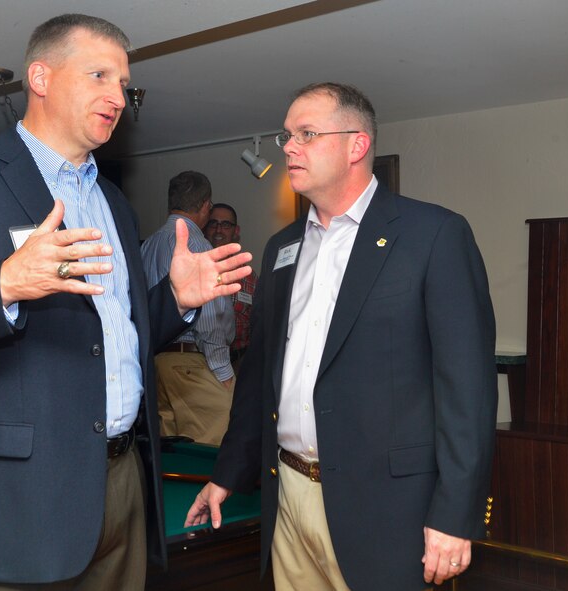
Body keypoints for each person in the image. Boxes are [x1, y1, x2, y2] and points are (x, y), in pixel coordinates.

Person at [0, 14, 251, 590]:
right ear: (40, 77)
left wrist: (175, 298)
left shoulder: (114, 203)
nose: (117, 96)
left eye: (124, 84)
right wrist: (1, 284)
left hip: (122, 485)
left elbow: (109, 336)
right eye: (98, 75)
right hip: (13, 502)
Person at [185, 82, 497, 590]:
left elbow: (469, 391)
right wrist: (227, 473)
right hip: (289, 498)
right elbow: (261, 377)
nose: (289, 147)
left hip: (387, 510)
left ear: (357, 145)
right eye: (287, 135)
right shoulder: (281, 247)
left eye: (306, 134)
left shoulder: (433, 235)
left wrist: (454, 515)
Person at [141, 172, 235, 445]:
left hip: (157, 364)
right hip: (192, 365)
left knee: (175, 456)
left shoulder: (148, 245)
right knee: (217, 448)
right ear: (205, 205)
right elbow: (211, 316)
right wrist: (223, 370)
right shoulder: (197, 245)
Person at [204, 203, 258, 371]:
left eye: (226, 225)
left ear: (236, 231)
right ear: (205, 227)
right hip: (201, 365)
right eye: (213, 223)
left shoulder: (248, 276)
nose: (219, 230)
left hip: (239, 363)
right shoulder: (196, 270)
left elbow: (258, 323)